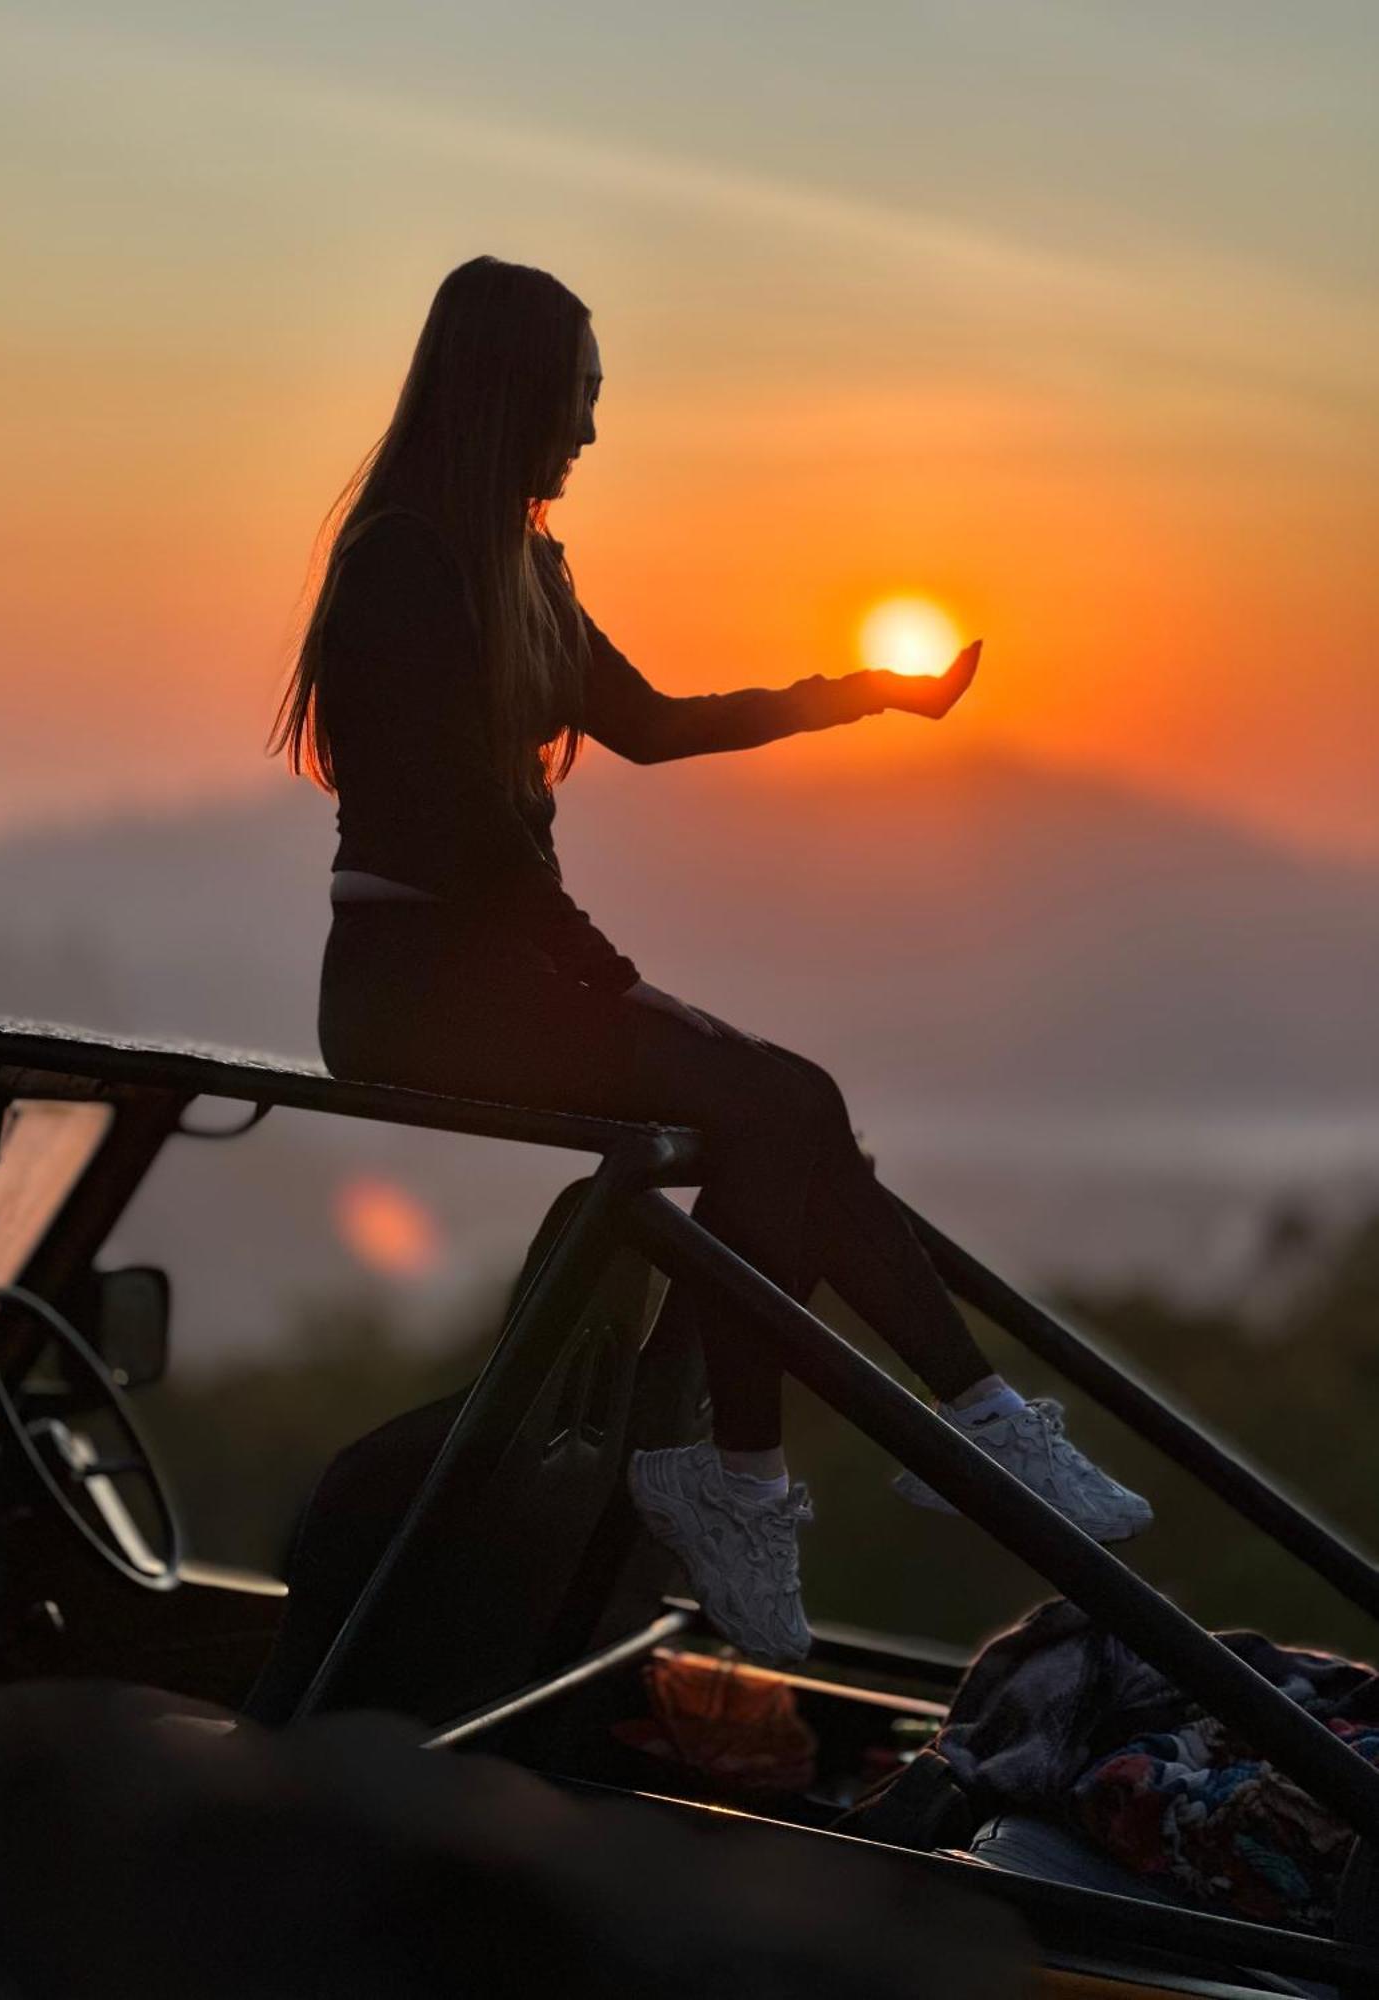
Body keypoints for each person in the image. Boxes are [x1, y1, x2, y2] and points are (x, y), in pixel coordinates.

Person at [269, 255, 1151, 1669]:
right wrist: (598, 969)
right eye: (580, 398)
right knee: (782, 1106)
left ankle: (822, 1456)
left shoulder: (514, 561)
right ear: (511, 395)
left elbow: (659, 724)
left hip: (506, 976)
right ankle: (866, 1449)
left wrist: (869, 691)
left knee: (791, 1110)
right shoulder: (404, 567)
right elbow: (454, 826)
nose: (595, 432)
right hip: (418, 991)